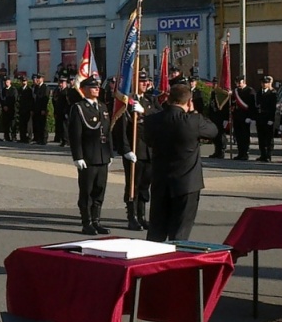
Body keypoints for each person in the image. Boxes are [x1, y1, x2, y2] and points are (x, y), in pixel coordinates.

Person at [144, 84, 219, 242]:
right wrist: (194, 112)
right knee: (180, 233)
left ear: (169, 99)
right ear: (189, 101)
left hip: (160, 181)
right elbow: (213, 130)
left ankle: (151, 264)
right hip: (187, 183)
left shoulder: (152, 120)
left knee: (156, 231)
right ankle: (176, 262)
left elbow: (149, 141)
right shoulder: (194, 120)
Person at [115, 72, 160, 231]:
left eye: (147, 80)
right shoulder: (127, 102)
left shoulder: (149, 100)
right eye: (142, 81)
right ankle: (132, 217)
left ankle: (142, 216)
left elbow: (160, 117)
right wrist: (126, 150)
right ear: (134, 82)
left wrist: (145, 111)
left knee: (145, 185)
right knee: (133, 185)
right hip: (135, 150)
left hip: (149, 151)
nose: (145, 83)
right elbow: (121, 129)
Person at [68, 76, 113, 235]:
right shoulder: (79, 108)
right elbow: (75, 134)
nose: (97, 89)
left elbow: (107, 132)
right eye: (93, 87)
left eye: (97, 87)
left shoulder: (102, 107)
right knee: (87, 191)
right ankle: (86, 222)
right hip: (88, 156)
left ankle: (96, 221)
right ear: (84, 89)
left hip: (102, 156)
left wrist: (110, 153)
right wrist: (77, 156)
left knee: (99, 190)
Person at [231, 76, 256, 160]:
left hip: (245, 117)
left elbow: (252, 105)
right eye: (237, 82)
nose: (238, 84)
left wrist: (250, 117)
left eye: (240, 82)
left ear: (244, 82)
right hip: (237, 117)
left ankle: (245, 153)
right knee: (238, 136)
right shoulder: (235, 91)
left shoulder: (249, 91)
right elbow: (233, 104)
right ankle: (240, 153)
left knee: (245, 136)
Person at [255, 75, 278, 163]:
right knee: (261, 138)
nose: (264, 84)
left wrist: (271, 119)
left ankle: (268, 155)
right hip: (260, 118)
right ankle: (263, 154)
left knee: (269, 138)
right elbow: (256, 105)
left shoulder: (272, 93)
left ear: (269, 84)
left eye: (266, 83)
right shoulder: (259, 92)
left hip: (268, 118)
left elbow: (273, 108)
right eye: (263, 83)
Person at [208, 83, 230, 159]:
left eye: (216, 84)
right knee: (215, 135)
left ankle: (222, 151)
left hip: (221, 118)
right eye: (213, 84)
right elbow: (211, 106)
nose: (214, 85)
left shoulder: (223, 94)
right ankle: (217, 151)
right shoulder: (213, 93)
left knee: (221, 135)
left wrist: (226, 119)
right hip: (214, 118)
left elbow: (227, 108)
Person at [30, 73, 50, 145]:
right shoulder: (36, 87)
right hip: (36, 109)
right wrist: (32, 109)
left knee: (43, 125)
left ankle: (44, 139)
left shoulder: (45, 87)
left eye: (39, 78)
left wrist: (43, 109)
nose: (37, 79)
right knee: (38, 124)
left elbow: (45, 99)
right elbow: (34, 99)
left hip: (42, 109)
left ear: (42, 79)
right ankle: (39, 139)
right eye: (37, 78)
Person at [51, 77, 70, 145]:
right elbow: (55, 101)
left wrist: (66, 112)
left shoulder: (67, 91)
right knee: (60, 127)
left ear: (65, 83)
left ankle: (66, 141)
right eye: (60, 82)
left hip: (64, 112)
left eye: (62, 83)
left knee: (65, 127)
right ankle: (62, 139)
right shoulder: (58, 91)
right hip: (59, 111)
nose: (60, 84)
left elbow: (67, 103)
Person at [0, 77, 18, 142]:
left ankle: (13, 137)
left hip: (12, 109)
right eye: (5, 82)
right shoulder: (3, 90)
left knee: (13, 124)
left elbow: (14, 99)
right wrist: (4, 106)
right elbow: (1, 99)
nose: (6, 83)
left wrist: (8, 106)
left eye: (7, 82)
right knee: (5, 124)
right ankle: (6, 137)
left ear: (10, 82)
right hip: (5, 110)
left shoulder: (13, 89)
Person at [16, 76, 32, 143]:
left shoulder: (29, 90)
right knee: (22, 124)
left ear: (27, 82)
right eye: (22, 81)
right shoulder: (19, 89)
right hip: (21, 109)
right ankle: (22, 137)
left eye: (24, 81)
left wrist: (31, 109)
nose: (23, 82)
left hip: (27, 109)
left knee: (28, 125)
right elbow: (18, 99)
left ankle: (29, 138)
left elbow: (31, 100)